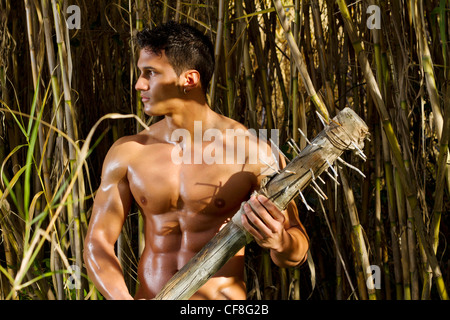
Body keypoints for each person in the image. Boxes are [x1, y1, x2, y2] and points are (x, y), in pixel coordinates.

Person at [83, 21, 309, 300]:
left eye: (150, 73)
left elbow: (295, 252)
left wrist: (279, 241)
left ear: (189, 79)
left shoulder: (254, 153)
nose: (139, 84)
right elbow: (98, 242)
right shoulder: (129, 152)